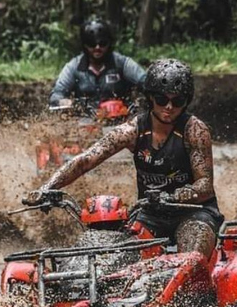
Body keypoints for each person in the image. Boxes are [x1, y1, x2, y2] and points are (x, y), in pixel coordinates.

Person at [28, 58, 224, 259]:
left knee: (191, 256)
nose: (169, 107)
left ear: (186, 101)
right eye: (162, 99)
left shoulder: (195, 130)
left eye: (178, 101)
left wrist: (185, 194)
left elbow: (205, 184)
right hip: (150, 214)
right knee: (117, 257)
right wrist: (48, 188)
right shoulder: (132, 130)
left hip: (194, 212)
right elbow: (86, 160)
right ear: (150, 98)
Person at [48, 19, 146, 109]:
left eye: (102, 43)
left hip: (120, 121)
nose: (97, 47)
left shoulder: (122, 63)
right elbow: (56, 95)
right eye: (92, 43)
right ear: (84, 45)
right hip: (85, 122)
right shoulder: (73, 67)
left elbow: (147, 82)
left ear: (109, 43)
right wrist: (69, 103)